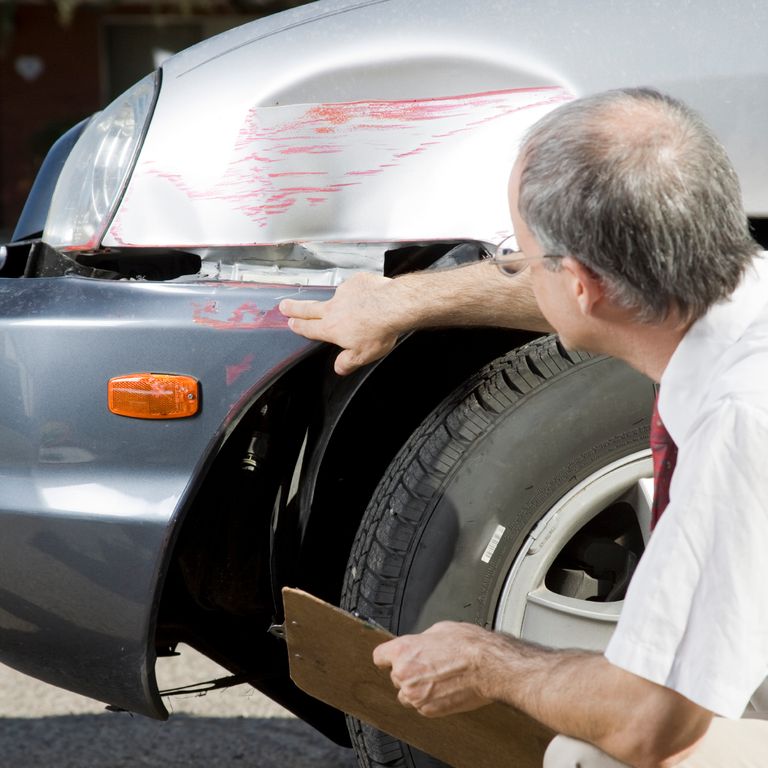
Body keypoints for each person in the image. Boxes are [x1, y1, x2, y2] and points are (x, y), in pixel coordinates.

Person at [280, 88, 768, 766]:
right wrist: (399, 302)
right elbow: (594, 292)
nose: (516, 267)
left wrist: (490, 663)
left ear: (580, 282)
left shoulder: (741, 422)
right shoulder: (741, 296)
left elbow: (649, 722)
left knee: (596, 754)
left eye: (522, 252)